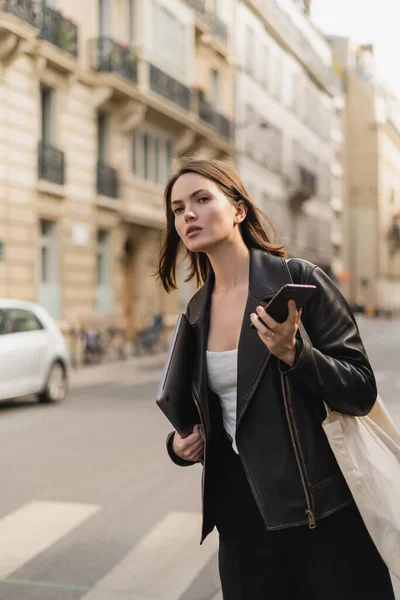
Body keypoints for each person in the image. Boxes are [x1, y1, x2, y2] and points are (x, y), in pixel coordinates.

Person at [156, 158, 395, 600]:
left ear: (239, 210)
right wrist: (178, 447)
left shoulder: (298, 282)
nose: (187, 214)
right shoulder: (196, 313)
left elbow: (360, 390)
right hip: (241, 522)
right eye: (177, 208)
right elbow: (214, 417)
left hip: (320, 513)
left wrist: (294, 353)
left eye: (202, 200)